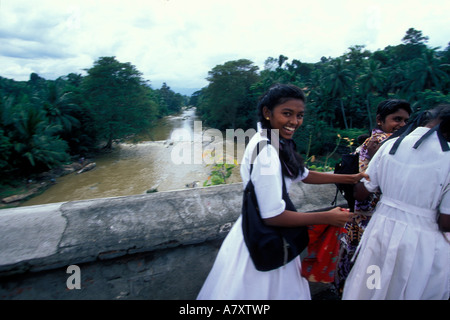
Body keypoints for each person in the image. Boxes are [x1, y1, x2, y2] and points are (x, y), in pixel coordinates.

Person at [197, 84, 368, 300]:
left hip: (257, 232)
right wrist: (328, 217)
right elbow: (272, 215)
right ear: (268, 113)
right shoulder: (267, 151)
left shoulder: (273, 141)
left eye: (299, 115)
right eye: (287, 114)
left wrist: (350, 178)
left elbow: (303, 174)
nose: (295, 122)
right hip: (265, 238)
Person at [342, 104, 450, 300]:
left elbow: (361, 192)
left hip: (381, 230)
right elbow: (446, 221)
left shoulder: (391, 145)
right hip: (423, 241)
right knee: (407, 288)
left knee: (370, 285)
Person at [335, 99, 411, 294]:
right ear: (380, 120)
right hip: (368, 221)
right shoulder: (377, 145)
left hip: (368, 220)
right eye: (397, 119)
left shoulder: (393, 145)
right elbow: (364, 190)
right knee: (370, 274)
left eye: (405, 121)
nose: (402, 125)